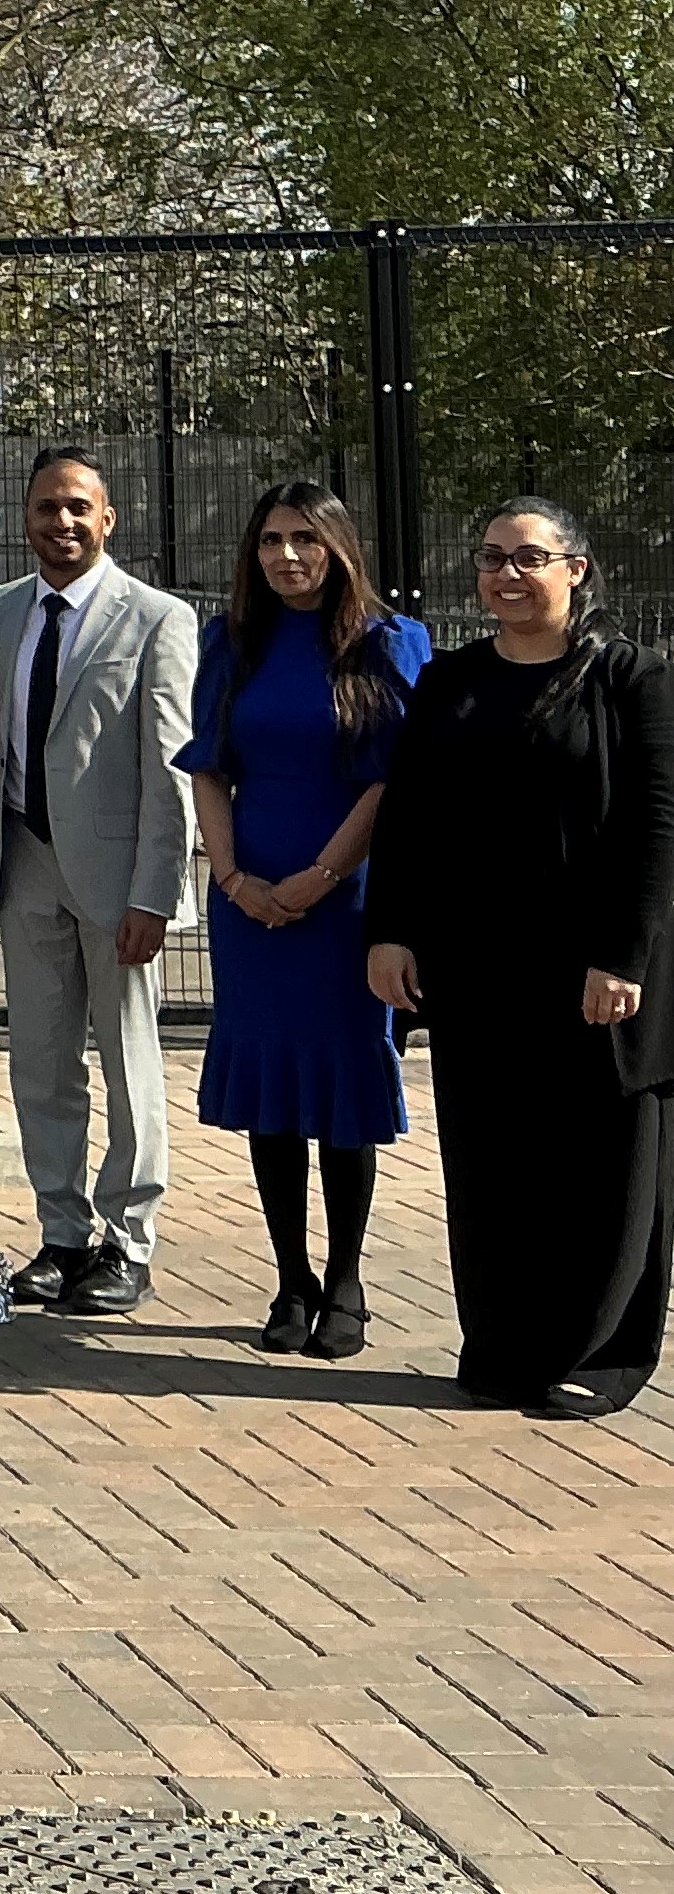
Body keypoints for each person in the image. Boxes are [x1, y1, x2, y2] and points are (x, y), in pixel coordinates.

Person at [367, 500, 674, 1419]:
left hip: (596, 972)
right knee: (494, 1161)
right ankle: (504, 1346)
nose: (506, 574)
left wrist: (623, 956)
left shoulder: (632, 677)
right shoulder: (452, 681)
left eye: (529, 558)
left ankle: (599, 1356)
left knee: (604, 1165)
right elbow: (408, 815)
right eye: (492, 557)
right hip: (480, 967)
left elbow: (658, 828)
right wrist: (390, 930)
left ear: (576, 569)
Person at [179, 482, 427, 1357]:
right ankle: (291, 1282)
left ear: (338, 546)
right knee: (273, 1094)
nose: (286, 556)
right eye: (270, 540)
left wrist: (322, 877)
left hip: (346, 903)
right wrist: (232, 877)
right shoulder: (231, 640)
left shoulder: (389, 642)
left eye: (304, 539)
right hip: (249, 905)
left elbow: (393, 781)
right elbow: (208, 768)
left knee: (343, 1088)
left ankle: (347, 1282)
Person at [0, 448, 202, 1316]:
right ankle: (61, 1234)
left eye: (76, 508)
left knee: (130, 1062)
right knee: (40, 1062)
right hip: (25, 860)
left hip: (116, 876)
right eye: (45, 508)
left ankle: (128, 1242)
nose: (61, 523)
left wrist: (156, 893)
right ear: (25, 519)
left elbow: (172, 767)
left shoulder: (158, 618)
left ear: (107, 519)